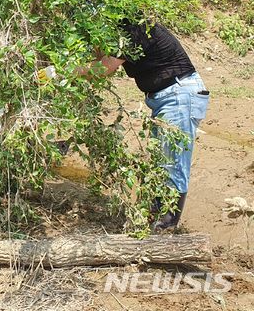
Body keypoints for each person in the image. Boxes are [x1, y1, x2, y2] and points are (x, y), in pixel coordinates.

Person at [83, 20, 210, 230]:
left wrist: (64, 72)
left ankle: (165, 230)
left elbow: (104, 69)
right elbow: (104, 62)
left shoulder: (131, 26)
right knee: (161, 164)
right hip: (168, 96)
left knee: (171, 165)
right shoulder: (123, 26)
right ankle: (155, 225)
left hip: (178, 95)